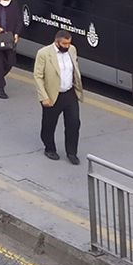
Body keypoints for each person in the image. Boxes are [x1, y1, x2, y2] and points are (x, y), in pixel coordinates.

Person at [33, 30, 84, 165]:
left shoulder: (72, 50)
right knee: (49, 124)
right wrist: (44, 97)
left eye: (69, 43)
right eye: (64, 44)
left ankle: (72, 152)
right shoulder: (44, 53)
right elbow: (38, 76)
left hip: (69, 93)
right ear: (57, 42)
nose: (67, 46)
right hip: (52, 94)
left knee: (74, 123)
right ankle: (49, 148)